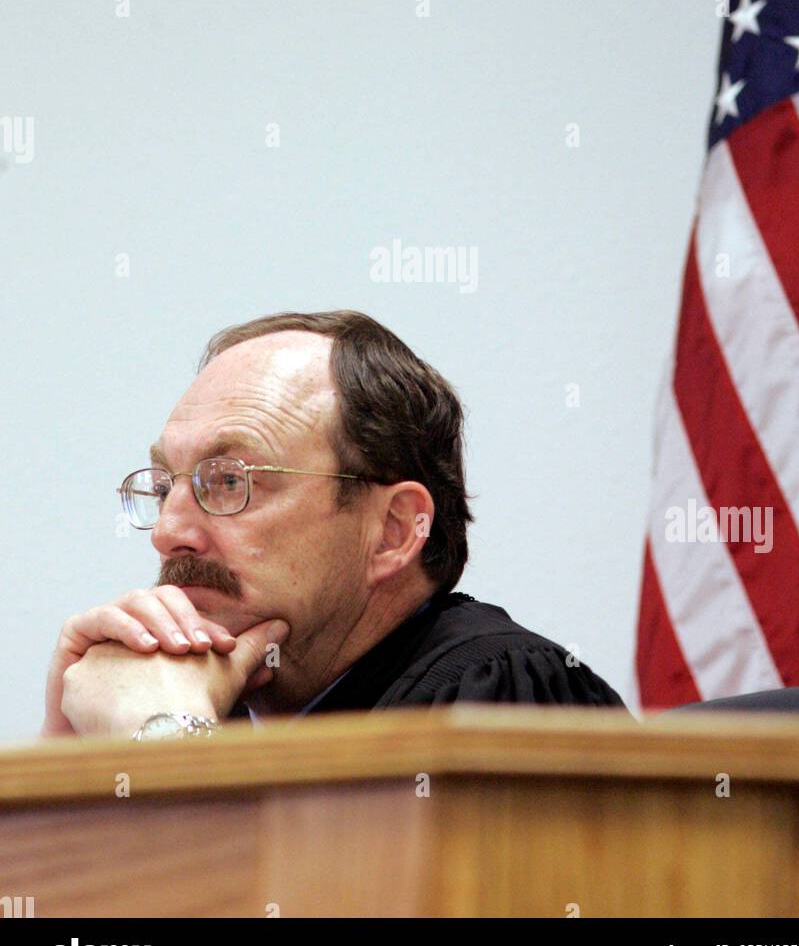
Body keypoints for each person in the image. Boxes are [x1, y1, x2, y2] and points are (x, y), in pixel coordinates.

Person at [43, 311, 626, 740]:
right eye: (168, 483)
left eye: (229, 481)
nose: (168, 532)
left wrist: (163, 737)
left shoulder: (492, 694)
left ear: (393, 531)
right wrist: (64, 750)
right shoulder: (214, 706)